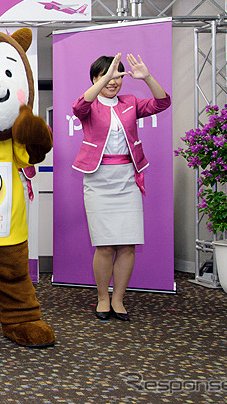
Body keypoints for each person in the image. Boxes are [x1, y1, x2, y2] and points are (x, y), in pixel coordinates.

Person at [72, 53, 170, 321]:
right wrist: (105, 76)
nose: (113, 81)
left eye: (118, 76)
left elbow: (163, 102)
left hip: (128, 177)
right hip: (98, 178)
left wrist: (146, 77)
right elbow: (78, 106)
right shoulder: (89, 105)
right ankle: (103, 298)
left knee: (127, 244)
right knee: (104, 245)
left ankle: (118, 299)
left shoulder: (131, 103)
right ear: (95, 78)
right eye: (107, 76)